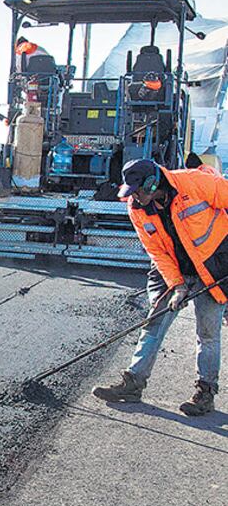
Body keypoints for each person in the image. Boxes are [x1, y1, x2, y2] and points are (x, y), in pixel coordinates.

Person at [92, 159, 228, 415]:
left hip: (214, 265)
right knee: (154, 324)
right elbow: (156, 251)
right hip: (175, 268)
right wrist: (177, 285)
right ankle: (133, 383)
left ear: (153, 183)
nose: (136, 198)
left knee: (208, 332)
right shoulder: (136, 209)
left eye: (138, 191)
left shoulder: (195, 182)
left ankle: (205, 393)